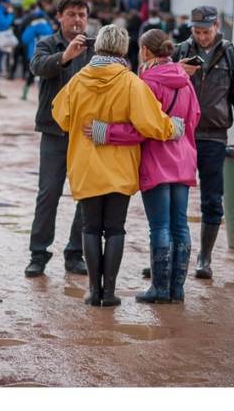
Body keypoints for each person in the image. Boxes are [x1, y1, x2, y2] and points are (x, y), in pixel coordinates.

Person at [51, 24, 185, 307]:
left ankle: (92, 292)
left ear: (97, 47)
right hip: (120, 168)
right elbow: (151, 123)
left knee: (90, 228)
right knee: (114, 228)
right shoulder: (131, 82)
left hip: (85, 166)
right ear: (124, 50)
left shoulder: (77, 80)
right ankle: (109, 293)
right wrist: (173, 128)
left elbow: (60, 116)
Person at [83, 28, 200, 304]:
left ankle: (159, 289)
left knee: (159, 226)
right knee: (180, 225)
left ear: (145, 51)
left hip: (156, 160)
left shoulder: (144, 82)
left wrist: (106, 132)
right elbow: (194, 117)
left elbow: (140, 129)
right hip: (183, 158)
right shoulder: (186, 80)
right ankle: (177, 290)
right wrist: (179, 137)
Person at [162, 4, 234, 280]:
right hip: (179, 135)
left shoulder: (233, 58)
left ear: (216, 27)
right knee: (169, 197)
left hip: (213, 136)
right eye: (196, 31)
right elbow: (158, 86)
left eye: (206, 31)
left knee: (212, 199)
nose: (201, 36)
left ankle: (204, 257)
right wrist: (176, 70)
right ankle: (166, 254)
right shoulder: (178, 52)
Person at [24, 0, 95, 278]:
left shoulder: (95, 47)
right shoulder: (46, 44)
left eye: (81, 15)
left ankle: (75, 253)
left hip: (86, 134)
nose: (77, 20)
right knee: (49, 193)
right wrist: (66, 56)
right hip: (54, 132)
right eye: (71, 15)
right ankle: (38, 254)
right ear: (59, 17)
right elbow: (37, 67)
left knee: (87, 194)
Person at [19, 10, 54, 100]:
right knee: (43, 77)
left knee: (30, 76)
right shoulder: (48, 28)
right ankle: (43, 97)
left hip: (32, 55)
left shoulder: (32, 27)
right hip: (46, 56)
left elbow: (24, 39)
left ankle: (24, 93)